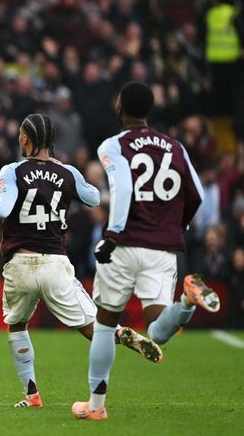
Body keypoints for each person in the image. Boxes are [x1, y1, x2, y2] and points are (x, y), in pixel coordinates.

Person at [0, 114, 161, 409]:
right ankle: (121, 334)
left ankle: (31, 394)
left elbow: (1, 208)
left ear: (24, 139)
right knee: (90, 327)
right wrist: (68, 173)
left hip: (21, 264)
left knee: (18, 326)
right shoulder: (67, 173)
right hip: (55, 263)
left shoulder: (12, 171)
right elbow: (95, 198)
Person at [72, 82, 217, 420]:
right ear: (149, 110)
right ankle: (187, 300)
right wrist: (177, 227)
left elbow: (122, 188)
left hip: (125, 244)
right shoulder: (175, 146)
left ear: (120, 107)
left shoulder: (114, 144)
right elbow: (196, 193)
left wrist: (113, 234)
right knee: (157, 329)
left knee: (106, 324)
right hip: (162, 247)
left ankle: (95, 407)